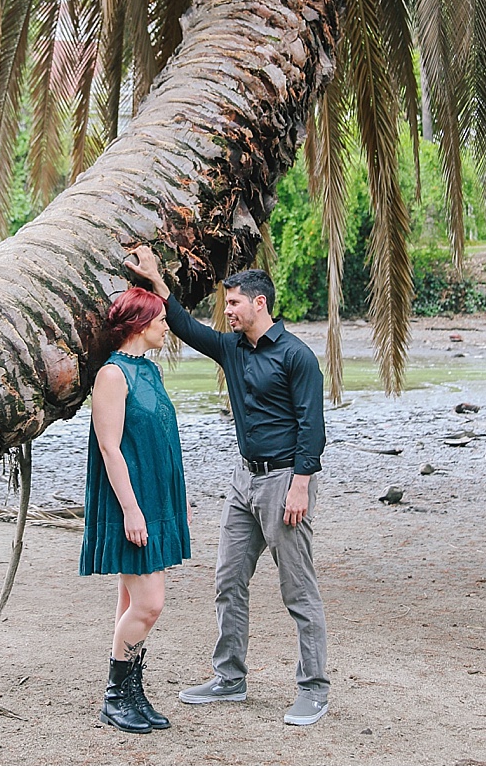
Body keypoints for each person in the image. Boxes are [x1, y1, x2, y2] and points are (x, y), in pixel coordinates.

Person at [125, 244, 329, 727]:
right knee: (228, 580)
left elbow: (312, 427)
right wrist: (156, 279)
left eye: (234, 303)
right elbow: (184, 325)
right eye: (226, 303)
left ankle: (314, 689)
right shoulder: (231, 349)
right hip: (243, 481)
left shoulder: (297, 356)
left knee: (298, 589)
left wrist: (300, 485)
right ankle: (229, 678)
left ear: (260, 303)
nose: (228, 311)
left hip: (285, 482)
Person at [79, 286, 191, 734]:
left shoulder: (150, 370)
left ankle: (129, 694)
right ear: (141, 325)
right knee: (149, 604)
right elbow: (109, 448)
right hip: (132, 500)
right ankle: (114, 695)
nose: (167, 327)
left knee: (130, 601)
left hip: (156, 498)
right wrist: (131, 509)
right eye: (161, 320)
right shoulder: (112, 375)